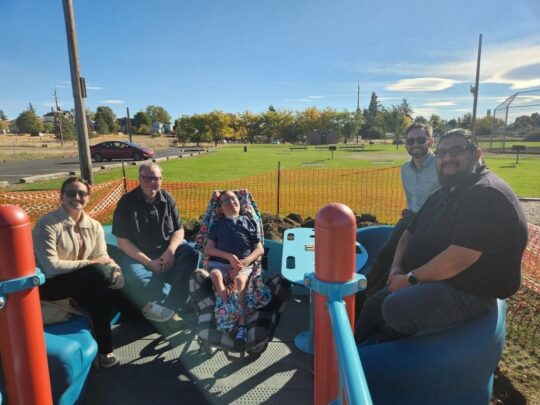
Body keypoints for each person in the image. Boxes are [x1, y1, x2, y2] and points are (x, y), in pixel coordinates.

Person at [356, 128, 528, 343]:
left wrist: (409, 280)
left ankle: (385, 347)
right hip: (430, 278)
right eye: (442, 152)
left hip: (468, 290)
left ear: (476, 154)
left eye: (456, 151)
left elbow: (460, 258)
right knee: (374, 304)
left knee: (395, 307)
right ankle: (348, 352)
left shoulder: (486, 194)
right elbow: (409, 232)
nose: (447, 158)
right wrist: (397, 268)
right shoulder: (447, 190)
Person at [33, 177, 124, 368]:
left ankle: (104, 351)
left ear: (88, 197)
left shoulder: (94, 226)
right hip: (50, 285)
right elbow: (50, 266)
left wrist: (117, 270)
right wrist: (92, 263)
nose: (76, 197)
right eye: (71, 193)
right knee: (99, 275)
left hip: (81, 281)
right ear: (61, 197)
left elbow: (103, 256)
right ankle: (105, 350)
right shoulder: (47, 224)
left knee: (106, 284)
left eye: (82, 193)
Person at [355, 123, 440, 313]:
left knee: (403, 262)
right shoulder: (405, 170)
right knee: (384, 255)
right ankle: (361, 297)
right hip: (411, 218)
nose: (415, 144)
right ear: (405, 145)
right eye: (410, 141)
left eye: (420, 139)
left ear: (431, 141)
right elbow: (411, 201)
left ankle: (380, 302)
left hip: (432, 224)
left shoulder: (441, 166)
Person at [112, 162, 196, 323]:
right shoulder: (126, 203)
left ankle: (171, 306)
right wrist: (150, 263)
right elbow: (122, 241)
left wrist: (170, 252)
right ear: (139, 178)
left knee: (193, 252)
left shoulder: (168, 199)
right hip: (139, 256)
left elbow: (179, 230)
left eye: (157, 178)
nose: (153, 182)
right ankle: (174, 304)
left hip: (167, 252)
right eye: (148, 178)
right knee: (137, 278)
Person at [203, 190, 265, 350]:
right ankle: (227, 307)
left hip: (244, 266)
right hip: (220, 264)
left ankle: (241, 326)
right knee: (216, 275)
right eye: (225, 201)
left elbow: (259, 249)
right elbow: (208, 249)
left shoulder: (248, 221)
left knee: (239, 281)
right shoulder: (218, 224)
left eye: (234, 198)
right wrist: (229, 256)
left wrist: (244, 263)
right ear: (221, 209)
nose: (231, 202)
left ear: (240, 202)